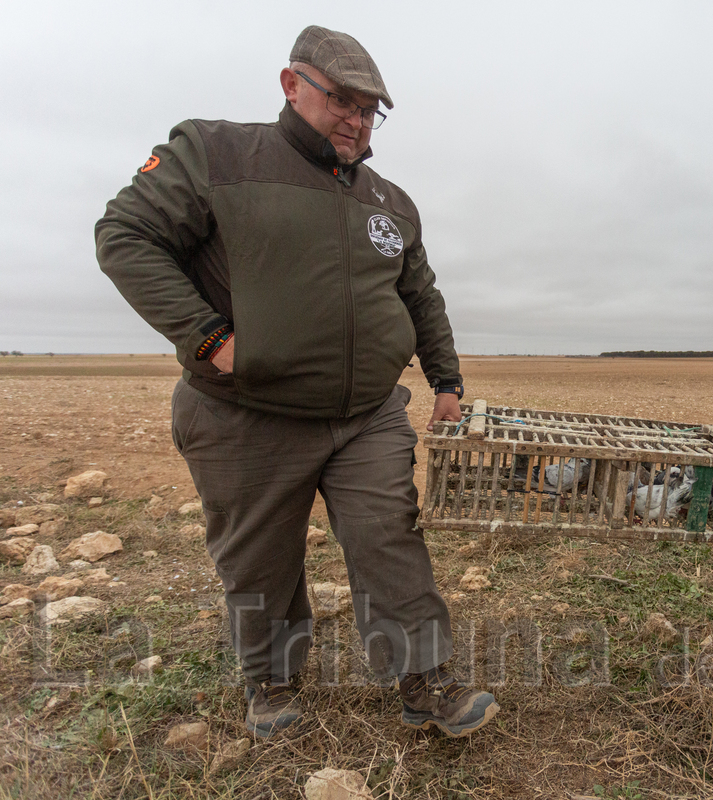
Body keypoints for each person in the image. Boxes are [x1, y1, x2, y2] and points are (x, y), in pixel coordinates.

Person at [96, 25, 499, 737]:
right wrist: (210, 340)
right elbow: (125, 236)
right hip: (245, 411)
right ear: (291, 84)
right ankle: (273, 683)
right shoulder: (217, 153)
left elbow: (420, 296)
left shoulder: (390, 201)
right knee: (261, 558)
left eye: (371, 108)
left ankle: (425, 681)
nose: (357, 119)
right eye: (342, 99)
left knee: (389, 537)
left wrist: (447, 380)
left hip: (367, 414)